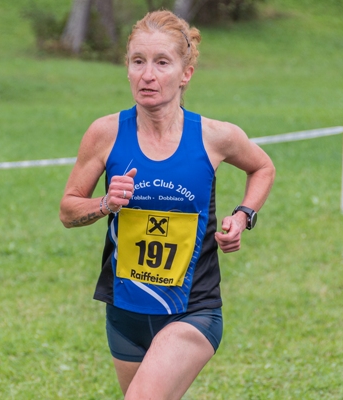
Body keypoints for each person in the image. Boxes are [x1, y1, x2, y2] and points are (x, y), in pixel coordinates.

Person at [59, 10, 275, 399]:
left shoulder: (214, 136)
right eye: (137, 61)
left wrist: (244, 216)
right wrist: (106, 203)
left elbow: (262, 167)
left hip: (192, 309)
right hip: (125, 313)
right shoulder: (105, 134)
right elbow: (68, 210)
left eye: (161, 63)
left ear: (185, 73)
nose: (147, 75)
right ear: (127, 69)